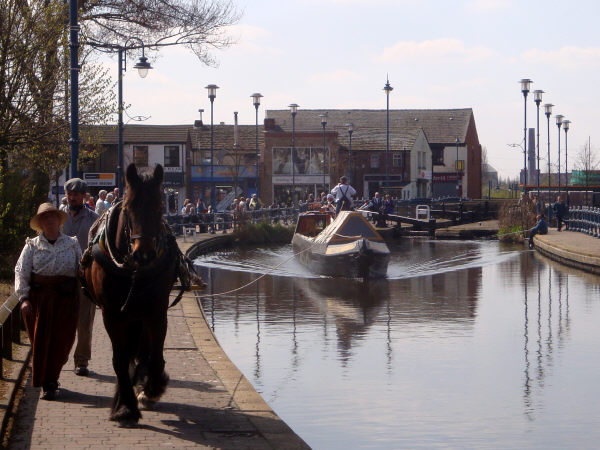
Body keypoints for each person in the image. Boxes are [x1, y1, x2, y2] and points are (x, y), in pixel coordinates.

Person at [15, 203, 81, 400]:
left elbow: (83, 268)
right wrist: (24, 298)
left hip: (66, 300)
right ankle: (47, 382)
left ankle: (53, 375)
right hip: (40, 301)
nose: (49, 220)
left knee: (63, 341)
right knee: (42, 341)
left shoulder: (72, 243)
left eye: (52, 216)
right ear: (40, 223)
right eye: (45, 218)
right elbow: (21, 271)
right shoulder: (31, 246)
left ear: (58, 220)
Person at [62, 178, 99, 377]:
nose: (72, 197)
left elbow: (99, 248)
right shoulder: (58, 217)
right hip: (62, 276)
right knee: (62, 320)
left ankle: (81, 360)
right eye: (69, 194)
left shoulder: (94, 218)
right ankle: (59, 359)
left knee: (84, 322)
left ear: (83, 196)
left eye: (76, 194)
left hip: (85, 277)